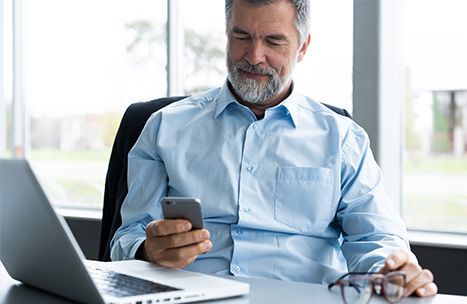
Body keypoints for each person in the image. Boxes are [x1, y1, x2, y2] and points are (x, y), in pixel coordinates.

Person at [111, 0, 437, 298]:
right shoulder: (163, 127)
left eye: (274, 41)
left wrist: (392, 270)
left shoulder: (342, 139)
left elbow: (377, 239)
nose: (254, 56)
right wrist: (147, 249)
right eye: (241, 37)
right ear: (226, 34)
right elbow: (127, 237)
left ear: (303, 47)